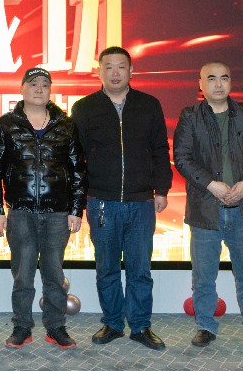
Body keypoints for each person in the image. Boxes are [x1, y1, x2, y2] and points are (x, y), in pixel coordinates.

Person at [173, 62, 243, 348]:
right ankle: (206, 326)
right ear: (201, 84)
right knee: (203, 277)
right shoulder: (190, 116)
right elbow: (182, 158)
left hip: (242, 208)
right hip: (205, 209)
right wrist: (212, 184)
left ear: (231, 82)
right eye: (211, 79)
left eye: (224, 78)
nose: (219, 84)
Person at [70, 46, 171, 351]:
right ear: (99, 71)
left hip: (141, 201)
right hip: (102, 200)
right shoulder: (84, 108)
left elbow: (160, 150)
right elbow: (75, 159)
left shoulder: (149, 105)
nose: (115, 73)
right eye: (109, 67)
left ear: (131, 71)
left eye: (121, 66)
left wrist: (162, 189)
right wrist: (79, 200)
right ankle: (113, 323)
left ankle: (140, 326)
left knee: (140, 269)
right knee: (107, 268)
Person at [0, 67, 86, 349]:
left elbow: (78, 170)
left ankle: (56, 327)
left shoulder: (66, 125)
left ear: (50, 90)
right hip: (20, 211)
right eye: (33, 84)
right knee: (23, 274)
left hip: (57, 212)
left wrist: (76, 209)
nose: (39, 89)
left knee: (54, 274)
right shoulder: (6, 125)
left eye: (44, 84)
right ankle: (21, 326)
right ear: (22, 89)